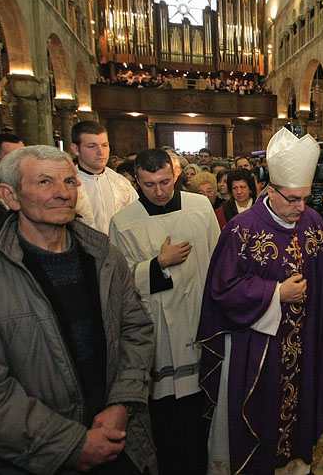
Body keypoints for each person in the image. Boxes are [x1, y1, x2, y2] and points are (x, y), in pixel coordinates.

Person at [0, 145, 157, 474]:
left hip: (119, 440)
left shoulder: (105, 258)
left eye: (69, 181)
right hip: (35, 458)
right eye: (44, 182)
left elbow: (136, 331)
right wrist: (71, 444)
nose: (62, 193)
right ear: (10, 196)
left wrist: (122, 404)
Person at [197, 127, 323, 474]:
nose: (301, 207)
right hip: (257, 350)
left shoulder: (311, 220)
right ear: (270, 191)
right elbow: (222, 289)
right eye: (293, 199)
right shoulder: (241, 229)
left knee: (296, 425)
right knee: (260, 420)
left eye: (305, 198)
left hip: (303, 346)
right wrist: (275, 293)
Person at [110, 149, 220, 474]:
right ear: (136, 181)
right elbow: (118, 282)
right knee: (167, 417)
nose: (159, 191)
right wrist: (157, 265)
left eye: (164, 182)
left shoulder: (200, 207)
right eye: (149, 184)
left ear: (175, 175)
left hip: (198, 317)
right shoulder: (123, 222)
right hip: (157, 328)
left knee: (202, 407)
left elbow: (219, 260)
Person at [71, 121, 138, 233]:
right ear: (76, 149)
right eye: (92, 146)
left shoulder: (121, 183)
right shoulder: (67, 185)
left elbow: (137, 221)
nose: (100, 152)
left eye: (104, 145)